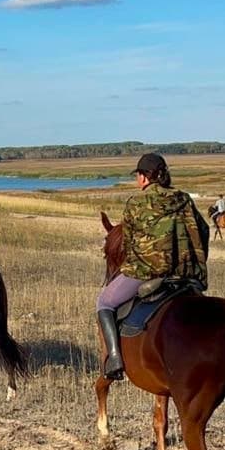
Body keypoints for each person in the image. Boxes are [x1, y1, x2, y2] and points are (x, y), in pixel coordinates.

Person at [95, 153, 209, 380]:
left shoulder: (136, 203)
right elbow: (203, 231)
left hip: (146, 272)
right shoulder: (184, 199)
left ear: (145, 177)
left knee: (104, 302)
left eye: (138, 175)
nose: (137, 180)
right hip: (184, 274)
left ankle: (115, 359)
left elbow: (127, 243)